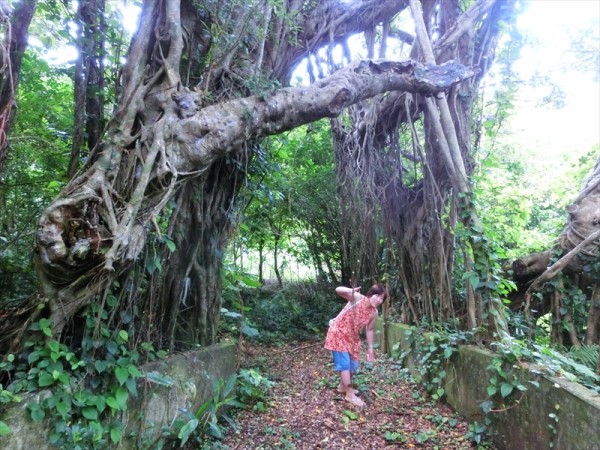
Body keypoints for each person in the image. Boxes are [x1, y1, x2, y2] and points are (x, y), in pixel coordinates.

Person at [324, 283, 387, 407]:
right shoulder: (357, 298)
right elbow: (338, 290)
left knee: (354, 365)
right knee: (345, 365)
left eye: (382, 298)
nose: (379, 300)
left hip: (352, 338)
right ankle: (349, 394)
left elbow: (369, 330)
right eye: (377, 296)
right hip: (339, 332)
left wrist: (370, 348)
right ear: (370, 294)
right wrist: (350, 290)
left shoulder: (374, 313)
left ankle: (343, 386)